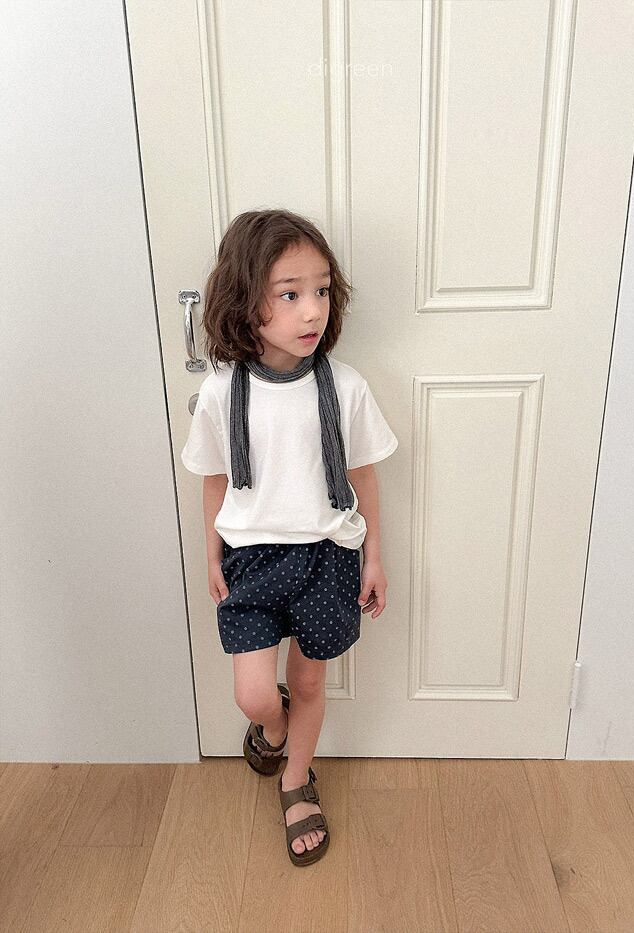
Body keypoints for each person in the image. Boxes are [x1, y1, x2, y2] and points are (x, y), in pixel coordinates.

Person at [180, 208, 398, 866]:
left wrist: (374, 557)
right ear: (245, 301)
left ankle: (297, 780)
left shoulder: (345, 386)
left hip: (328, 557)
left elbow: (363, 475)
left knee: (307, 682)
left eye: (322, 290)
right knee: (254, 693)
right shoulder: (222, 391)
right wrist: (211, 553)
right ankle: (271, 730)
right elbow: (214, 478)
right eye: (290, 294)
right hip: (250, 559)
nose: (313, 311)